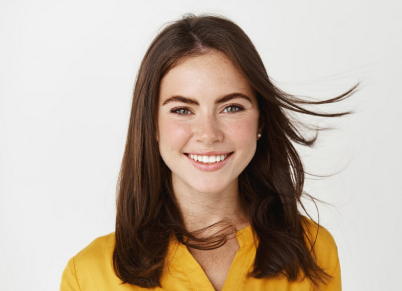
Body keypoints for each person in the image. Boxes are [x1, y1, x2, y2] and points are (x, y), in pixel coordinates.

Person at [60, 14, 357, 291]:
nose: (208, 134)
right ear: (151, 124)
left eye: (231, 107)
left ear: (261, 120)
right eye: (182, 109)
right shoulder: (88, 275)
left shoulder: (314, 251)